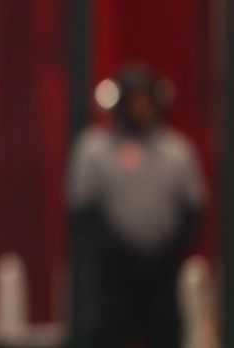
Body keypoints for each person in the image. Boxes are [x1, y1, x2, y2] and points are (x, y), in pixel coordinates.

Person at [67, 64, 206, 348]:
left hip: (162, 273)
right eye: (133, 101)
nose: (140, 108)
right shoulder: (94, 148)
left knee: (164, 334)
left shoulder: (177, 151)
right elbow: (83, 211)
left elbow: (193, 211)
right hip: (111, 274)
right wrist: (118, 251)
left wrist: (163, 253)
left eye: (145, 100)